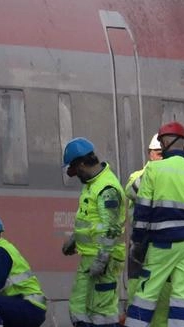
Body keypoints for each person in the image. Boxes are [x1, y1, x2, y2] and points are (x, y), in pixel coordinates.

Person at [124, 121, 184, 327]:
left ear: (164, 142)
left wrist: (137, 244)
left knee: (145, 295)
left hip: (161, 246)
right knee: (183, 299)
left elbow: (142, 212)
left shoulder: (154, 170)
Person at [61, 137, 126, 327]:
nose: (74, 175)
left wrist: (102, 259)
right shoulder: (92, 185)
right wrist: (75, 239)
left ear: (81, 164)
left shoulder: (106, 188)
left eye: (74, 170)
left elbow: (111, 228)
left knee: (101, 313)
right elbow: (90, 221)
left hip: (104, 261)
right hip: (90, 259)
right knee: (80, 308)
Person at [126, 135, 170, 327]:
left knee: (164, 299)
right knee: (136, 296)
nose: (161, 158)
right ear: (150, 154)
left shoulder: (173, 178)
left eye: (165, 155)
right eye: (159, 154)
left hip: (166, 248)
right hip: (141, 249)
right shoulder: (138, 177)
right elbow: (132, 190)